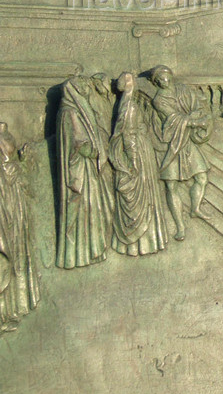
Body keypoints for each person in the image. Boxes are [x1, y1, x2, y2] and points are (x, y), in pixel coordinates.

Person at [56, 76, 114, 269]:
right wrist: (97, 151)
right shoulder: (70, 112)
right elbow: (80, 143)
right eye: (81, 85)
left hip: (88, 169)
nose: (85, 88)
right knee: (83, 210)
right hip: (80, 172)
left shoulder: (75, 110)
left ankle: (93, 252)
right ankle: (81, 256)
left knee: (93, 211)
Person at [150, 65, 212, 241]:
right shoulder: (159, 100)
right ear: (156, 83)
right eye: (159, 79)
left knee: (201, 177)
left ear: (170, 76)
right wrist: (196, 122)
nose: (163, 81)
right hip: (171, 144)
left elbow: (198, 104)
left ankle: (195, 208)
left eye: (165, 76)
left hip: (187, 142)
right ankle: (180, 227)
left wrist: (199, 114)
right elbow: (174, 118)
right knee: (171, 186)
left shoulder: (183, 90)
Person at [110, 72, 169, 256]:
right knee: (144, 196)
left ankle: (142, 244)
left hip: (140, 150)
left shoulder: (124, 104)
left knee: (146, 197)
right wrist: (134, 162)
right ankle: (145, 244)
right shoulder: (130, 106)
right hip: (139, 155)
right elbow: (128, 136)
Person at [0, 123, 39, 331]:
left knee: (15, 262)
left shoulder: (11, 170)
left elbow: (29, 191)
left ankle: (9, 312)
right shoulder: (7, 172)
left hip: (15, 223)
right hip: (7, 227)